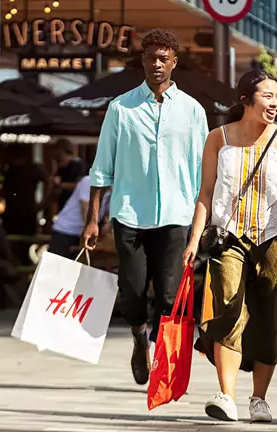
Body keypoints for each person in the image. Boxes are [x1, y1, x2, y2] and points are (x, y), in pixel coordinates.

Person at [182, 69, 277, 423]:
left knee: (269, 314)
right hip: (228, 236)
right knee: (228, 304)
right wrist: (193, 237)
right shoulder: (218, 138)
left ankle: (258, 398)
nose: (275, 103)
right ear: (246, 99)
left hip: (274, 237)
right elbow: (206, 192)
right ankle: (226, 395)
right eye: (268, 96)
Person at [81, 29, 208, 386]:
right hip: (130, 213)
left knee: (169, 294)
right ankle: (139, 335)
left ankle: (154, 349)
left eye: (163, 58)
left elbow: (203, 173)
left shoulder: (193, 112)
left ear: (174, 62)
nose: (156, 64)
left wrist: (203, 222)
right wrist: (93, 220)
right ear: (142, 60)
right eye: (151, 57)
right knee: (132, 290)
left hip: (176, 216)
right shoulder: (120, 108)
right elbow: (102, 167)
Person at [50, 175, 110, 258]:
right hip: (66, 231)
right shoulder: (89, 181)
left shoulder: (113, 189)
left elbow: (108, 214)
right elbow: (86, 213)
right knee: (55, 268)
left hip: (85, 234)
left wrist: (108, 224)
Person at [50, 137, 87, 215]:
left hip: (76, 206)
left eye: (59, 155)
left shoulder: (77, 165)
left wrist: (61, 185)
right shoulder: (62, 167)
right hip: (64, 205)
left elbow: (79, 185)